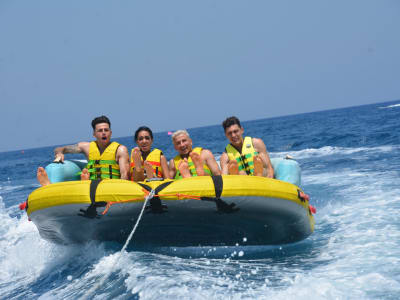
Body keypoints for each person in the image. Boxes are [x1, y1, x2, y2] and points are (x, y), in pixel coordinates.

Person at [37, 115, 130, 186]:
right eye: (100, 130)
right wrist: (59, 153)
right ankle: (48, 186)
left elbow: (124, 174)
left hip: (112, 186)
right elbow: (60, 148)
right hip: (93, 187)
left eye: (106, 130)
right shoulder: (86, 147)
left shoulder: (120, 150)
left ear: (110, 133)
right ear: (94, 134)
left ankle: (83, 181)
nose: (104, 133)